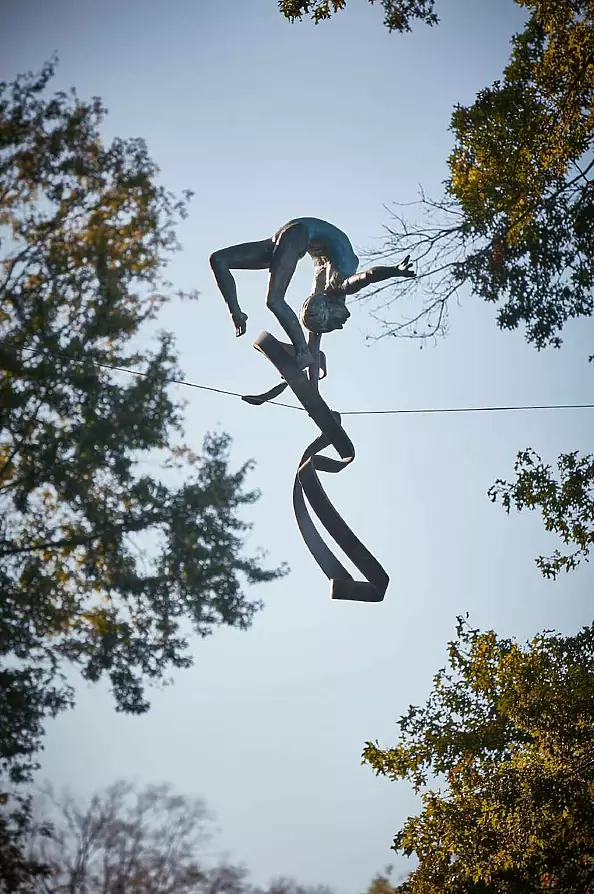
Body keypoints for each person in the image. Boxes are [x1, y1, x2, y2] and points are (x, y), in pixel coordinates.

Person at [209, 217, 415, 369]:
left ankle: (240, 315)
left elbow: (313, 342)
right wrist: (394, 271)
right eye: (334, 325)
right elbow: (367, 276)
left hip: (290, 235)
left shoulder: (321, 290)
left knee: (219, 260)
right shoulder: (340, 284)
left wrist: (313, 394)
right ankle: (297, 351)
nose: (341, 325)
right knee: (274, 300)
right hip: (296, 235)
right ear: (327, 309)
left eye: (333, 326)